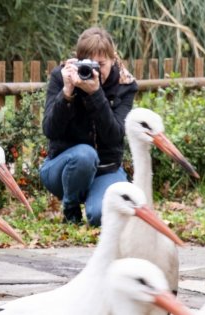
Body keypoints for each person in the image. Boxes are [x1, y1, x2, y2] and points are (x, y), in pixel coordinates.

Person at [39, 27, 138, 226]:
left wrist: (96, 95)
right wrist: (67, 93)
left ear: (113, 59)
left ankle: (93, 201)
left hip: (106, 169)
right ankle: (71, 209)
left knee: (101, 216)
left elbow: (115, 135)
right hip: (63, 168)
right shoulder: (62, 76)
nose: (94, 71)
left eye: (101, 64)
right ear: (78, 60)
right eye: (89, 64)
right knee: (85, 155)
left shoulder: (124, 84)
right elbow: (49, 130)